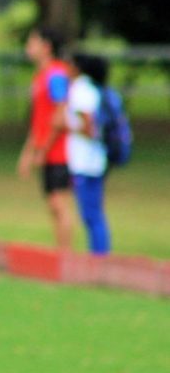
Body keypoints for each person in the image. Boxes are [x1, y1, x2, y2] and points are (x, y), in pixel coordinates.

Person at [19, 27, 74, 250]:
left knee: (59, 203)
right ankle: (60, 253)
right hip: (47, 150)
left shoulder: (57, 75)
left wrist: (43, 149)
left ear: (46, 46)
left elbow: (60, 115)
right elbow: (38, 120)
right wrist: (28, 152)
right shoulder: (40, 76)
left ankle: (66, 256)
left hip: (60, 151)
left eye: (32, 43)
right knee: (53, 204)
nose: (28, 48)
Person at [67, 53, 111, 255]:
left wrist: (67, 125)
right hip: (95, 161)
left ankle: (99, 258)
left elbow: (89, 128)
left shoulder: (81, 90)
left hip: (86, 163)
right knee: (93, 213)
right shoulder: (91, 88)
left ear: (77, 67)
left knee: (91, 214)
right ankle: (99, 255)